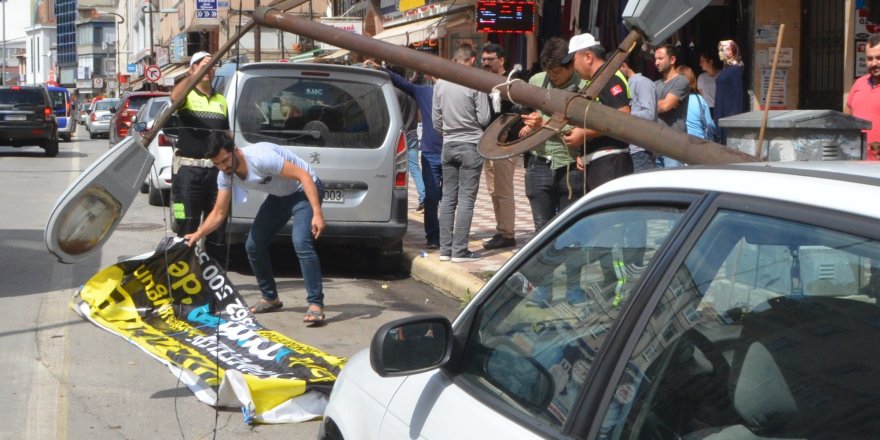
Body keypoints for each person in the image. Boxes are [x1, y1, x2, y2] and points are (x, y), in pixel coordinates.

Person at [183, 131, 328, 324]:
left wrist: (317, 214)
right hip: (279, 197)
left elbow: (304, 176)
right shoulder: (225, 176)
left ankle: (316, 304)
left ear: (235, 150)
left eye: (225, 160)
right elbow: (219, 213)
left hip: (304, 190)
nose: (224, 167)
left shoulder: (261, 158)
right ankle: (270, 298)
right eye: (217, 164)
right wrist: (199, 233)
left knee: (301, 242)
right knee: (253, 246)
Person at [366, 60, 442, 249]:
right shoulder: (424, 92)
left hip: (444, 150)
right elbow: (402, 82)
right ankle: (434, 237)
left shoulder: (441, 93)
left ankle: (442, 237)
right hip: (430, 148)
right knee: (435, 198)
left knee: (446, 198)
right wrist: (380, 68)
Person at [519, 37, 588, 231]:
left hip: (570, 164)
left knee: (570, 229)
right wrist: (529, 122)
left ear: (571, 65)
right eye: (549, 72)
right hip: (538, 162)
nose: (553, 76)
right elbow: (525, 113)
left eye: (557, 71)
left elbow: (584, 126)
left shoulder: (585, 85)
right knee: (542, 229)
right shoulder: (536, 81)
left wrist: (545, 124)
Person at [433, 44, 491, 262]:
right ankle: (460, 251)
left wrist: (449, 131)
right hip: (471, 144)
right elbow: (484, 118)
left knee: (448, 199)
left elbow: (435, 120)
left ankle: (445, 250)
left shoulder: (440, 84)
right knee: (466, 199)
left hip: (448, 145)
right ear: (472, 60)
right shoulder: (474, 81)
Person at [170, 51, 230, 260]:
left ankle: (214, 280)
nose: (208, 69)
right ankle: (181, 274)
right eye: (202, 65)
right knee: (184, 224)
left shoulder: (221, 99)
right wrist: (192, 78)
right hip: (188, 173)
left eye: (212, 65)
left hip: (217, 174)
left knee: (218, 230)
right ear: (192, 69)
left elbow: (227, 135)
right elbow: (174, 97)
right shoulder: (186, 95)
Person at [562, 33, 634, 190]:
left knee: (609, 213)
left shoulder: (607, 77)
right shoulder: (598, 79)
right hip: (602, 161)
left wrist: (583, 134)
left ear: (588, 57)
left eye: (573, 61)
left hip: (610, 161)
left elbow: (622, 116)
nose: (572, 67)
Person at [480, 43, 517, 250]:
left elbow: (516, 114)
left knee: (503, 191)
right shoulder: (484, 83)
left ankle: (508, 233)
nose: (486, 63)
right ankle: (501, 230)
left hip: (505, 145)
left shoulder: (511, 84)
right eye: (483, 59)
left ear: (501, 60)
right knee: (493, 191)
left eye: (490, 59)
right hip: (489, 144)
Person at [619, 50, 658, 171]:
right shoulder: (624, 85)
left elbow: (649, 114)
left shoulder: (642, 83)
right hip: (628, 150)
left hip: (641, 151)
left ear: (624, 66)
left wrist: (622, 114)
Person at [653, 44, 690, 167]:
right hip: (656, 146)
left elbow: (665, 106)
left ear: (672, 60)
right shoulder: (655, 84)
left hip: (674, 147)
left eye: (660, 58)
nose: (656, 63)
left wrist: (647, 106)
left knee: (673, 184)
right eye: (655, 59)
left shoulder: (681, 81)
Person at [844, 35, 880, 160]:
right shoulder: (859, 83)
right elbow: (846, 120)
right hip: (857, 161)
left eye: (879, 58)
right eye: (870, 58)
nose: (874, 63)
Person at [395, 86, 425, 211]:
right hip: (412, 134)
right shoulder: (412, 94)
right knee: (414, 167)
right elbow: (418, 116)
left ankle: (396, 200)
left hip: (398, 136)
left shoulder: (394, 92)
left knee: (394, 170)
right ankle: (424, 196)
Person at [713, 39, 745, 144]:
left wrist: (734, 115)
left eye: (722, 49)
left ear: (731, 51)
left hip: (728, 111)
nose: (720, 52)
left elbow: (738, 93)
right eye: (719, 50)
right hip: (722, 109)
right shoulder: (726, 69)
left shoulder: (736, 69)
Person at [678, 65, 717, 141]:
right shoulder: (699, 99)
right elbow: (709, 124)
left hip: (679, 144)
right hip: (699, 144)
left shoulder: (672, 101)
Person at [697, 48, 722, 119]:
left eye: (702, 61)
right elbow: (702, 97)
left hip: (720, 109)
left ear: (710, 62)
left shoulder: (722, 75)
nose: (700, 64)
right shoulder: (701, 78)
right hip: (707, 111)